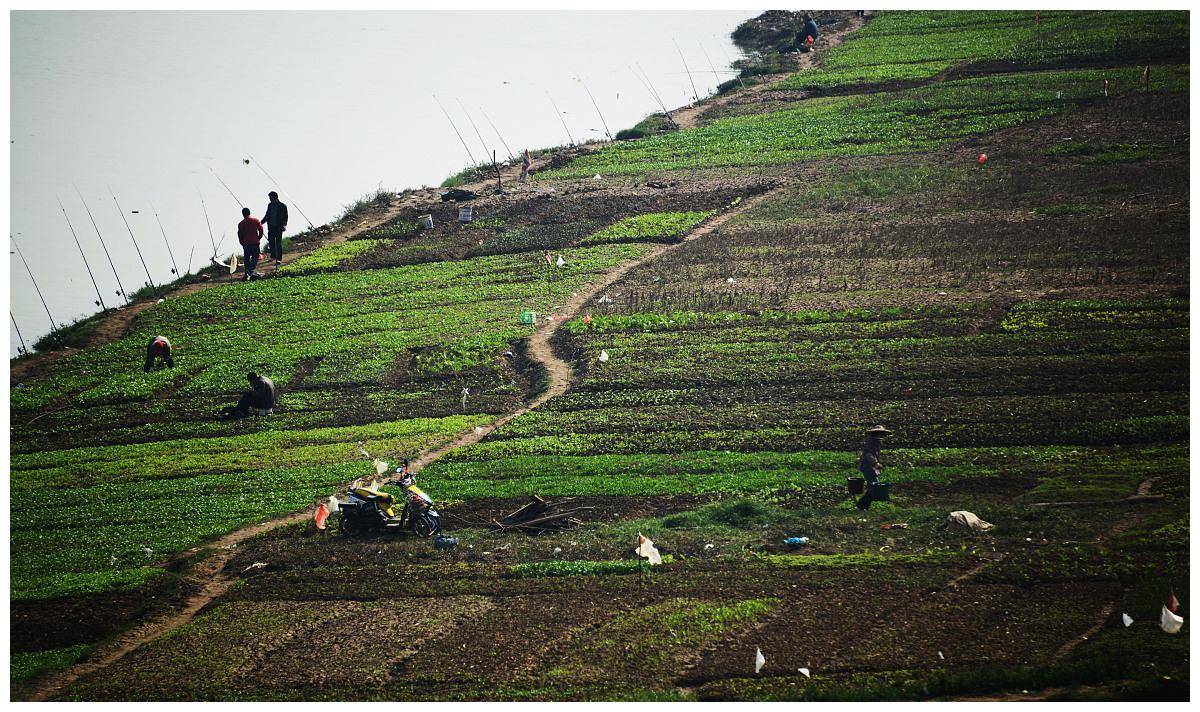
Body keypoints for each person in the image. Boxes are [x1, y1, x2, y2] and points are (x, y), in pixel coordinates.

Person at [856, 425, 890, 510]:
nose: (881, 435)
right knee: (874, 487)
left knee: (873, 487)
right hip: (868, 468)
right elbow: (868, 454)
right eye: (880, 433)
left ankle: (864, 506)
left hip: (870, 468)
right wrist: (876, 463)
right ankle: (861, 505)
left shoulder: (875, 442)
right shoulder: (872, 442)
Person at [260, 191, 289, 266]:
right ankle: (273, 256)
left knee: (278, 243)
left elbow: (286, 217)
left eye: (271, 198)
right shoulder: (269, 205)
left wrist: (284, 225)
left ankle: (279, 259)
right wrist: (260, 223)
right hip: (271, 227)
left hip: (279, 227)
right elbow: (267, 216)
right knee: (271, 242)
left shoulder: (282, 206)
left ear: (275, 197)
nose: (270, 200)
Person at [237, 207, 264, 281]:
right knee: (255, 257)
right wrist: (259, 237)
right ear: (249, 213)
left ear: (243, 214)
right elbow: (261, 229)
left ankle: (246, 274)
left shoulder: (240, 224)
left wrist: (242, 243)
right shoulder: (255, 220)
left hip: (246, 244)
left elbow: (239, 235)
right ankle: (249, 271)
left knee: (246, 259)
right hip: (255, 242)